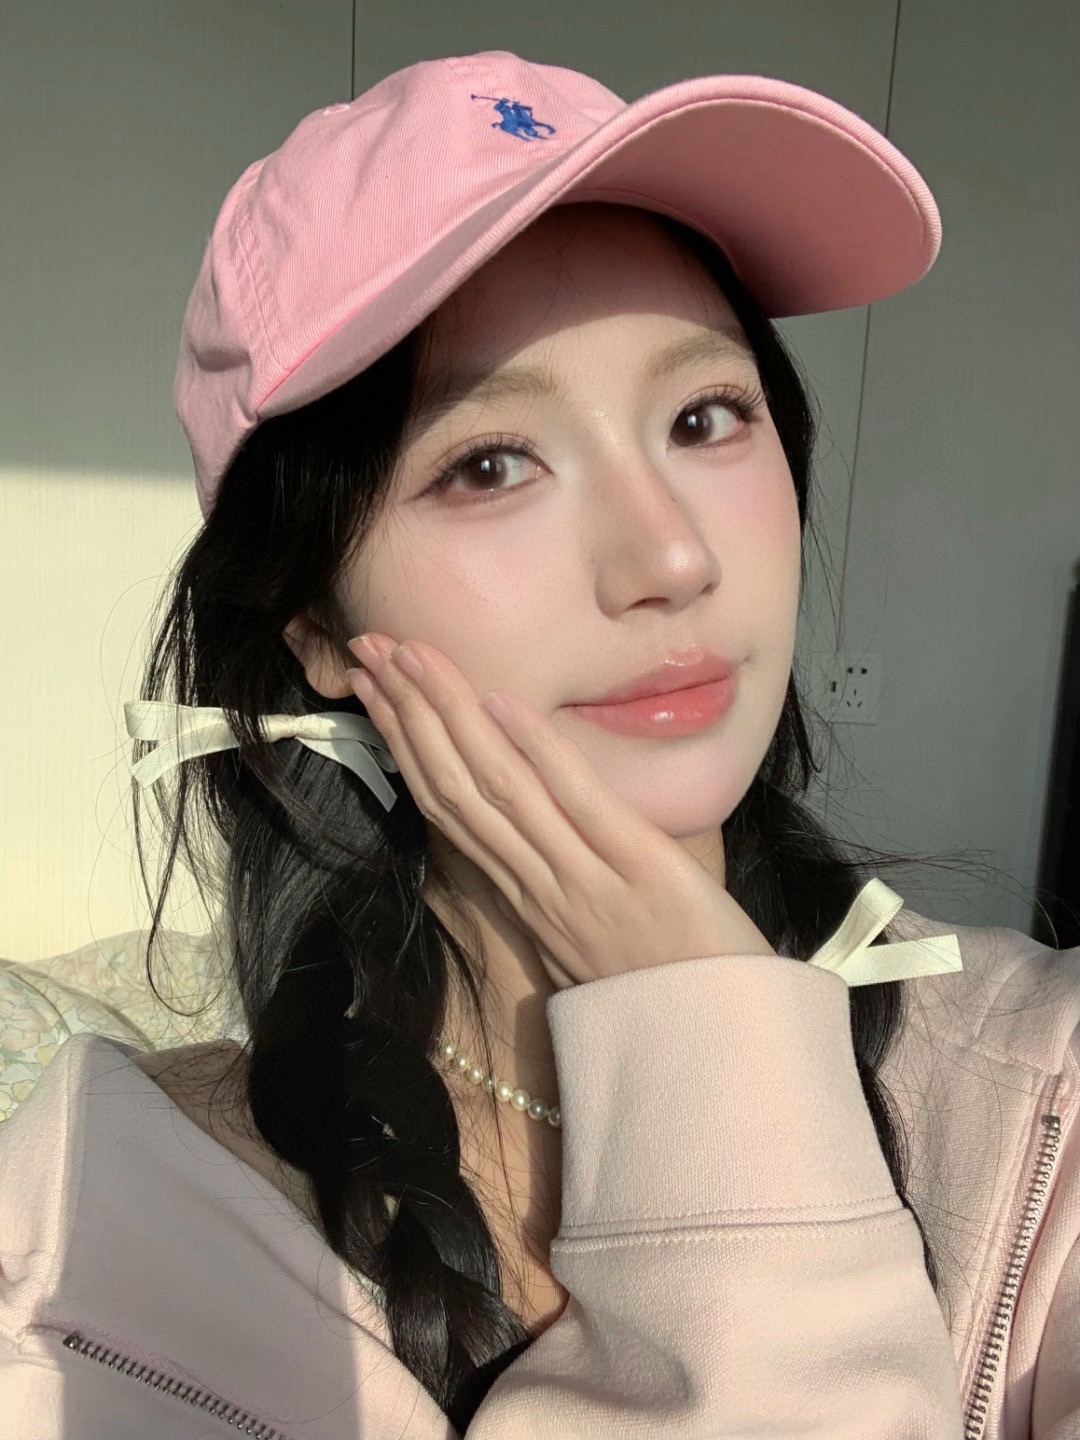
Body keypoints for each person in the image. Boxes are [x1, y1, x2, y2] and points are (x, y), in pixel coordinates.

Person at [1, 48, 1078, 1440]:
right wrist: (708, 1047)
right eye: (490, 463)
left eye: (704, 417)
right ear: (315, 628)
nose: (673, 557)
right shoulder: (96, 1259)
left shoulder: (1042, 1090)